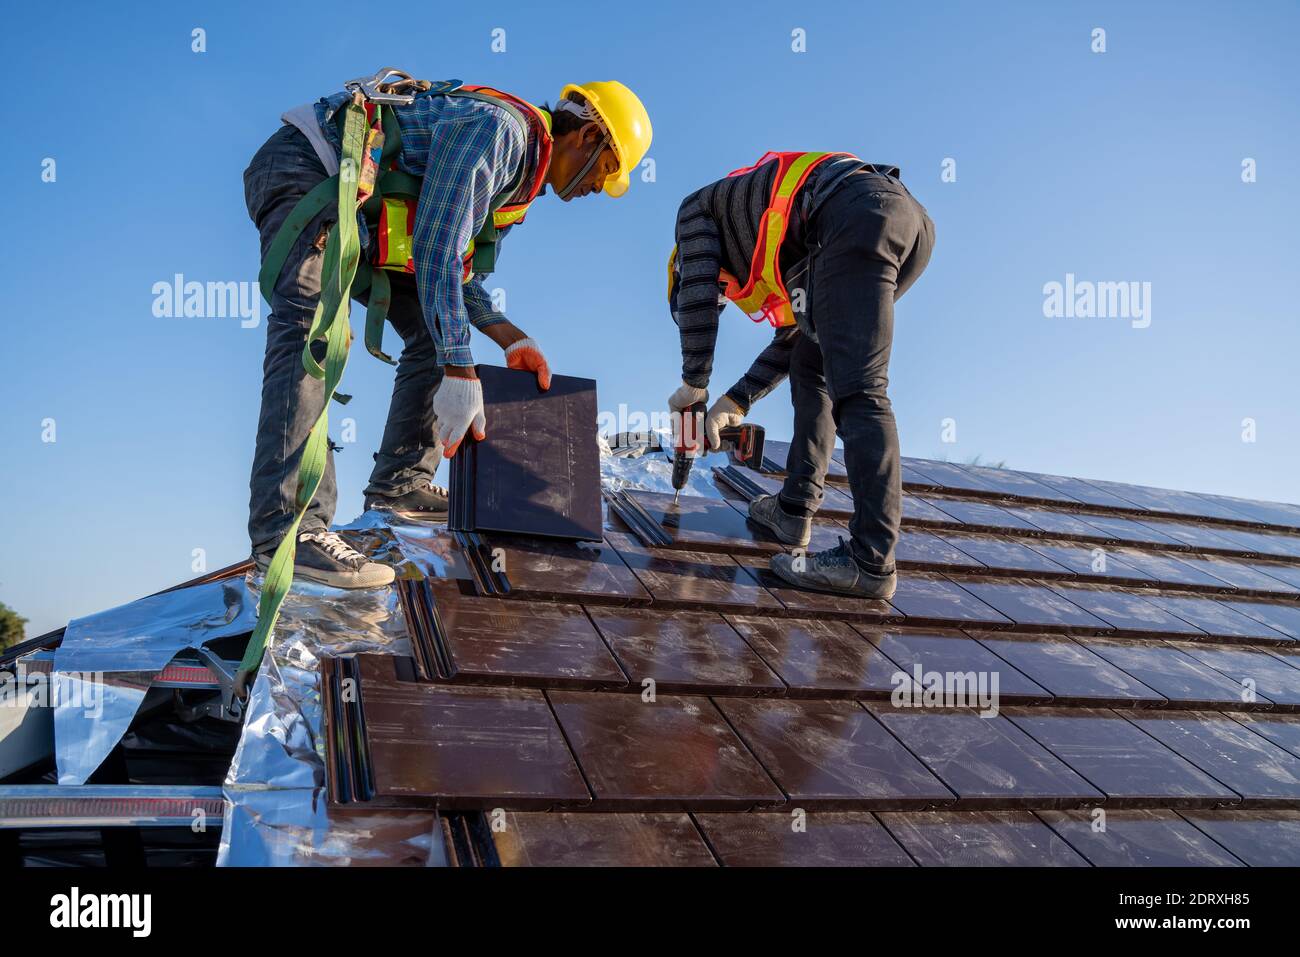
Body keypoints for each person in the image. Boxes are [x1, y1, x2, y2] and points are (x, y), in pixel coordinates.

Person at [244, 73, 652, 588]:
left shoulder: (520, 183)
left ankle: (400, 483)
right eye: (608, 171)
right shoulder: (502, 132)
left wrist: (511, 338)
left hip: (361, 214)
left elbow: (461, 277)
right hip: (308, 169)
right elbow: (437, 245)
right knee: (314, 335)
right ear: (587, 137)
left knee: (437, 328)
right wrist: (460, 364)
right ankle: (290, 534)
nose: (598, 188)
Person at [667, 151, 934, 599]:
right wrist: (735, 402)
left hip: (856, 212)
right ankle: (793, 510)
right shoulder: (778, 238)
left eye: (721, 294)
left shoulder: (696, 212)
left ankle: (871, 562)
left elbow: (696, 299)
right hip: (902, 221)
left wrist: (693, 386)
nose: (724, 297)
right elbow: (794, 339)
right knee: (813, 363)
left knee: (861, 388)